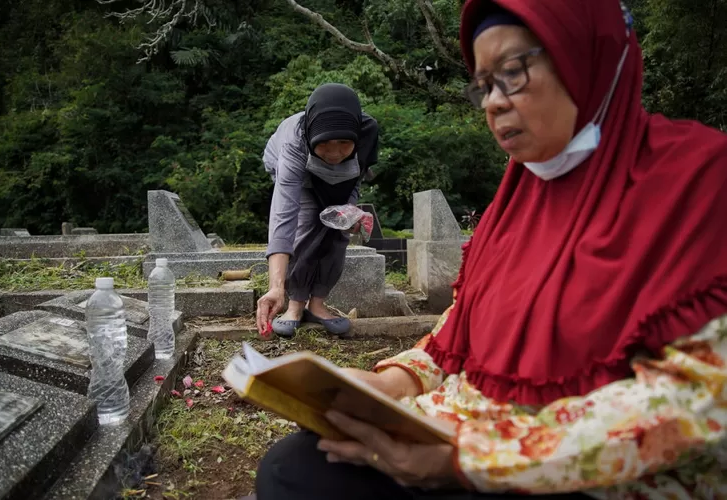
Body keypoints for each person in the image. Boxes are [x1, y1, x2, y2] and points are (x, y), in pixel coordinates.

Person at [254, 0, 727, 498]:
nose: (493, 103)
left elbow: (698, 398)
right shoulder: (521, 196)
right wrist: (395, 383)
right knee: (298, 467)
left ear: (584, 57)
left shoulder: (698, 182)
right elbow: (462, 324)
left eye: (513, 72)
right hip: (473, 425)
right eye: (483, 85)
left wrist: (472, 459)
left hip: (579, 463)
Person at [256, 83, 379, 338]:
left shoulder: (367, 132)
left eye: (344, 142)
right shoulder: (294, 142)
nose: (334, 152)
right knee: (307, 224)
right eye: (326, 143)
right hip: (299, 173)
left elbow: (356, 177)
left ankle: (318, 304)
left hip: (338, 178)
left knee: (337, 231)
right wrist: (275, 286)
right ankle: (294, 304)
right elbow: (284, 217)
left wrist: (350, 211)